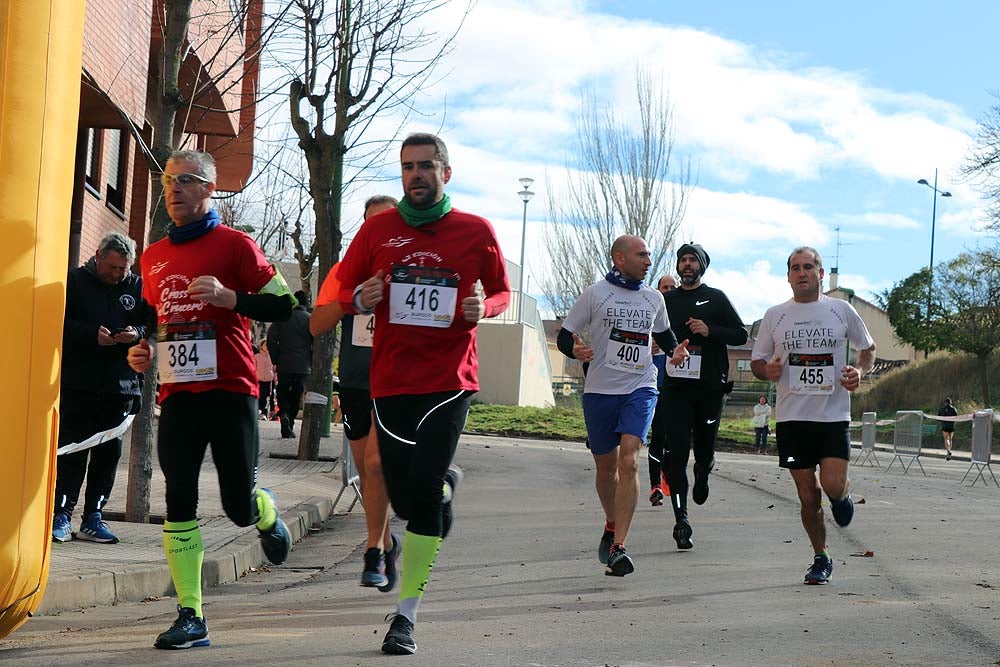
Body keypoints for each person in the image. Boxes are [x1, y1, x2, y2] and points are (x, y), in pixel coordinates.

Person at [335, 133, 510, 655]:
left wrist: (488, 306)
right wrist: (358, 297)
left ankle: (405, 616)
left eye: (426, 166)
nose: (416, 175)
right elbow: (341, 287)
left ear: (446, 173)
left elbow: (501, 290)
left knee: (424, 493)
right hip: (390, 382)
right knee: (409, 502)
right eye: (408, 167)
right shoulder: (378, 231)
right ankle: (444, 488)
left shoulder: (476, 231)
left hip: (449, 381)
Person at [127, 150, 295, 649]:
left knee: (237, 505)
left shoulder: (237, 245)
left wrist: (232, 299)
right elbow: (145, 317)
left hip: (231, 391)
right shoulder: (153, 255)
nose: (174, 189)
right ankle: (191, 614)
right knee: (178, 494)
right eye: (167, 181)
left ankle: (263, 511)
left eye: (186, 180)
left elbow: (286, 305)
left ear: (210, 189)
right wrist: (140, 348)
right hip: (178, 395)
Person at [558, 237, 686, 577]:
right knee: (605, 469)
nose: (648, 260)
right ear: (619, 257)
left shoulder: (654, 297)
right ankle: (611, 521)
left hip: (640, 386)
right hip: (600, 391)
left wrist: (676, 352)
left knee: (629, 460)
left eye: (649, 254)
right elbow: (564, 336)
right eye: (641, 254)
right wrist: (576, 351)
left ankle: (619, 546)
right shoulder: (595, 293)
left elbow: (665, 333)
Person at [751, 246, 875, 585]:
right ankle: (821, 557)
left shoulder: (841, 310)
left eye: (808, 266)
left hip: (832, 415)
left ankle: (842, 495)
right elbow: (757, 362)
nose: (801, 272)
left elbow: (867, 349)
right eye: (795, 268)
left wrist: (859, 373)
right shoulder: (775, 315)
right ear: (788, 276)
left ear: (821, 273)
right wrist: (768, 369)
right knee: (808, 495)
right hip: (792, 418)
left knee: (832, 485)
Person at [310, 194, 399, 592]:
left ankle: (374, 550)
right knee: (366, 469)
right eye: (371, 223)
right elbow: (317, 323)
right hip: (355, 381)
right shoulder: (347, 270)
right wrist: (353, 301)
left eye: (387, 222)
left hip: (398, 382)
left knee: (380, 464)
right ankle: (387, 542)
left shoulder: (410, 268)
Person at [52, 232, 150, 544]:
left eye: (123, 268)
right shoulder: (75, 281)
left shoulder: (136, 286)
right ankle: (61, 514)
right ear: (97, 256)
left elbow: (152, 322)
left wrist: (135, 332)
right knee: (73, 451)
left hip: (121, 387)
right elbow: (59, 323)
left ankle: (94, 516)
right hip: (79, 383)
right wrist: (91, 335)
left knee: (108, 455)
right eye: (112, 267)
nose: (117, 274)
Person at [662, 243, 748, 550]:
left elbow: (741, 334)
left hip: (710, 388)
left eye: (692, 260)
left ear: (702, 266)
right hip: (675, 389)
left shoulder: (716, 298)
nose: (687, 265)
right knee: (676, 453)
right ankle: (681, 518)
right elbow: (651, 334)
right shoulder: (666, 300)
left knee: (705, 451)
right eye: (682, 260)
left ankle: (703, 472)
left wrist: (710, 330)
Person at [267, 289, 313, 438]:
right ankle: (290, 420)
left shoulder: (282, 318)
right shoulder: (309, 319)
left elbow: (271, 339)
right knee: (296, 393)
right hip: (303, 366)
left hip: (284, 363)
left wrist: (275, 358)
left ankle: (284, 414)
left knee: (283, 390)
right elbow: (316, 342)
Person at [647, 274, 677, 506]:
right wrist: (650, 345)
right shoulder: (647, 314)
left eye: (671, 287)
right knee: (657, 436)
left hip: (676, 388)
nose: (668, 290)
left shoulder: (679, 317)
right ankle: (655, 484)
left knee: (671, 439)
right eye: (664, 287)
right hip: (651, 386)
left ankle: (667, 475)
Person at [254, 340, 275, 419]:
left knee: (269, 397)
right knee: (260, 396)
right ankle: (259, 412)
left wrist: (275, 378)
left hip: (269, 380)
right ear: (261, 346)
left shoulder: (272, 357)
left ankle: (265, 413)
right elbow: (253, 368)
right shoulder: (256, 356)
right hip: (259, 379)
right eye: (265, 344)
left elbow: (274, 368)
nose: (267, 346)